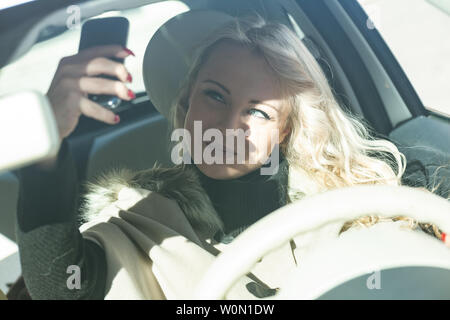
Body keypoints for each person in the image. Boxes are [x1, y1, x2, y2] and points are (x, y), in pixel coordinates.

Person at [14, 10, 448, 300]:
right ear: (185, 107)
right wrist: (48, 148)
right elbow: (61, 287)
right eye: (215, 96)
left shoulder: (358, 209)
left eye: (257, 110)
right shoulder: (141, 224)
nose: (229, 125)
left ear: (287, 130)